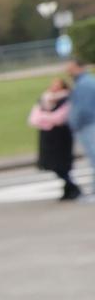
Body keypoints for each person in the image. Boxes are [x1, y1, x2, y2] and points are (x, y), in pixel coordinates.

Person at [30, 79, 79, 201]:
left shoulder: (66, 99)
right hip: (47, 137)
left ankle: (71, 187)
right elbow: (34, 118)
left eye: (57, 85)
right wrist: (48, 118)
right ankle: (69, 186)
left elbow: (60, 117)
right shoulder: (44, 99)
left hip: (61, 136)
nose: (54, 87)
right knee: (50, 163)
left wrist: (44, 118)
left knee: (61, 163)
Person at [67, 58, 95, 200]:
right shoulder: (83, 82)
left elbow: (82, 109)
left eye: (71, 68)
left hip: (88, 125)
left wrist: (74, 124)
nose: (68, 71)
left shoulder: (84, 84)